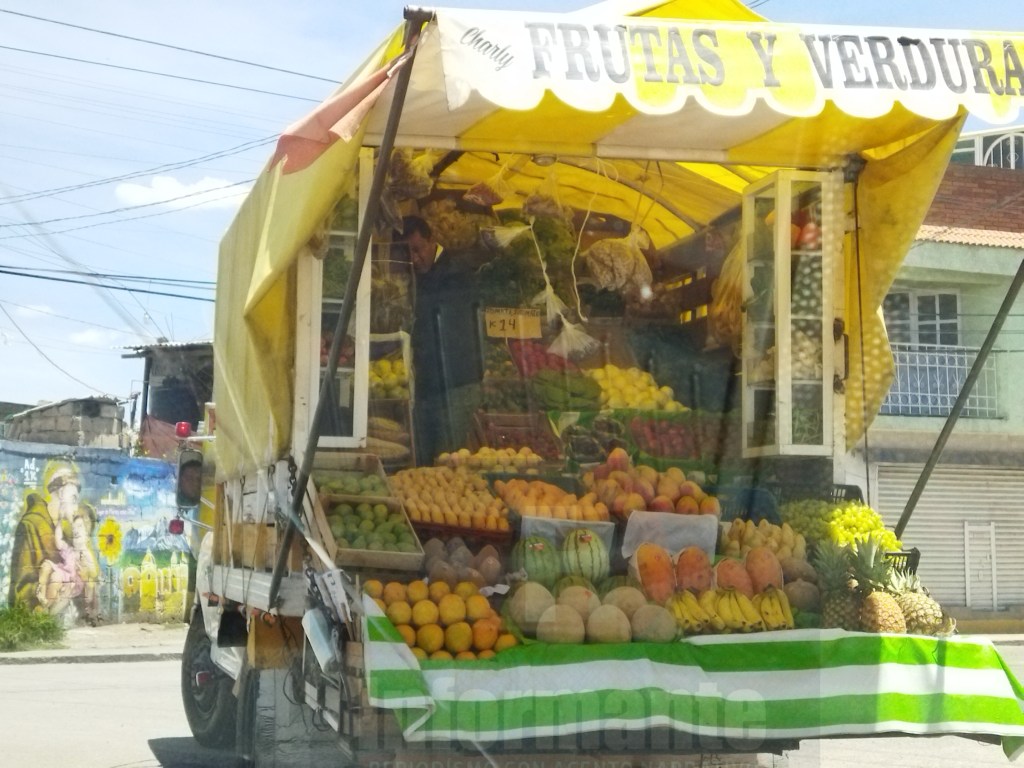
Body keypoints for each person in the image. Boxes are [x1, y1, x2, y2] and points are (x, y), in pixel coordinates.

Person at [398, 216, 485, 463]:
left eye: (418, 249)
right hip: (429, 385)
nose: (414, 259)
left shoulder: (457, 272)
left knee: (445, 461)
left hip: (456, 384)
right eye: (408, 254)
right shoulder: (420, 275)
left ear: (432, 240)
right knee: (424, 460)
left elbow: (438, 322)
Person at [7, 461, 80, 610]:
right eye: (73, 499)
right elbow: (20, 587)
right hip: (36, 612)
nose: (76, 507)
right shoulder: (31, 525)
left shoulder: (63, 536)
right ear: (60, 493)